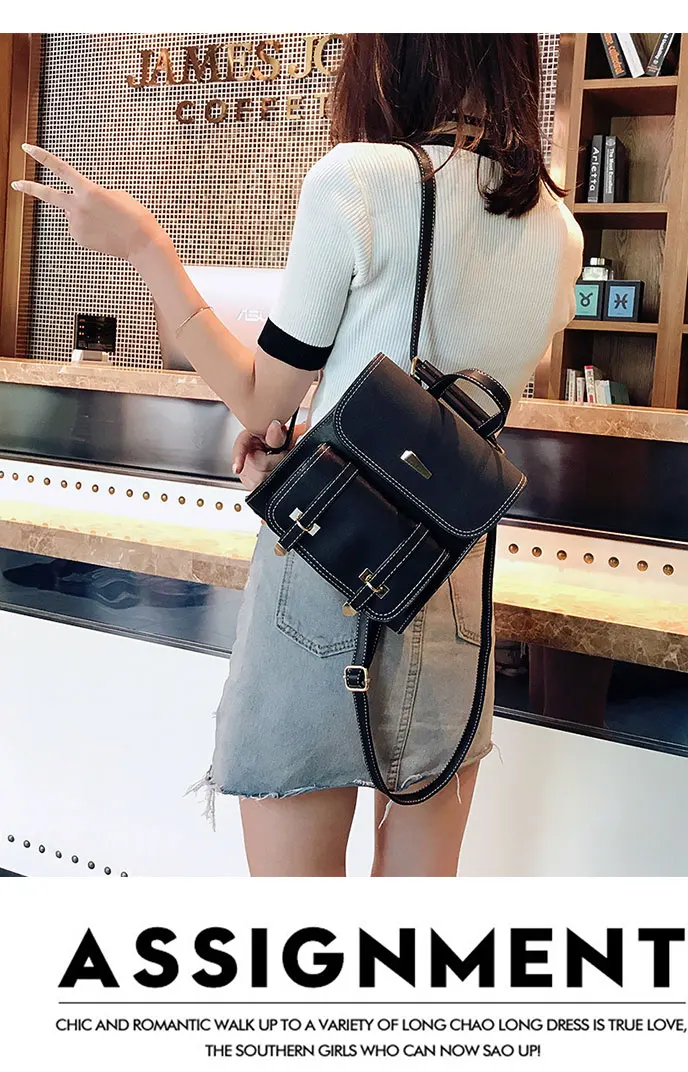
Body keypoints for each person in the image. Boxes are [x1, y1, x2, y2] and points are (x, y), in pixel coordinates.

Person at [11, 33, 583, 878]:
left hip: (324, 567)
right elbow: (444, 427)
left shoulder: (359, 179)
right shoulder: (558, 228)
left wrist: (144, 246)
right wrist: (309, 449)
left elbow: (259, 399)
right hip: (450, 576)